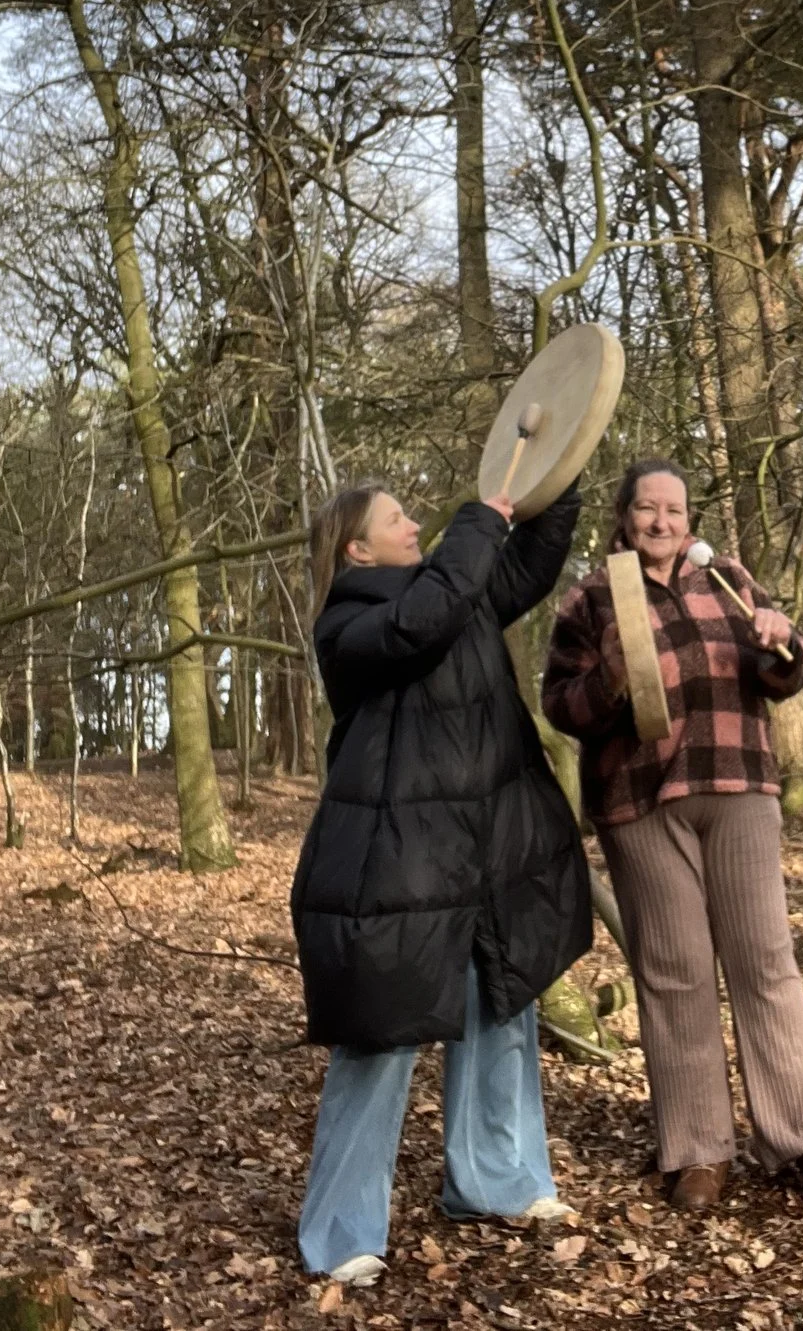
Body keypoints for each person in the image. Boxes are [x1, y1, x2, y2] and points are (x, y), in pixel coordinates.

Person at [290, 479, 590, 1286]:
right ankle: (341, 1231)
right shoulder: (350, 627)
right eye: (397, 518)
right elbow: (422, 622)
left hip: (486, 847)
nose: (414, 523)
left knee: (502, 1010)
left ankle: (498, 1181)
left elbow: (523, 567)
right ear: (358, 549)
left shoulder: (456, 594)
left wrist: (555, 484)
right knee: (382, 1036)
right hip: (397, 863)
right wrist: (479, 519)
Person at [541, 459, 803, 1210]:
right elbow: (561, 705)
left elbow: (784, 667)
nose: (662, 521)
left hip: (739, 785)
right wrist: (609, 682)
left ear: (690, 518)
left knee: (765, 959)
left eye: (674, 509)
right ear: (623, 516)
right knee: (675, 970)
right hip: (640, 802)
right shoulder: (591, 598)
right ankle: (697, 1151)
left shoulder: (729, 577)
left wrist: (788, 645)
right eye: (647, 508)